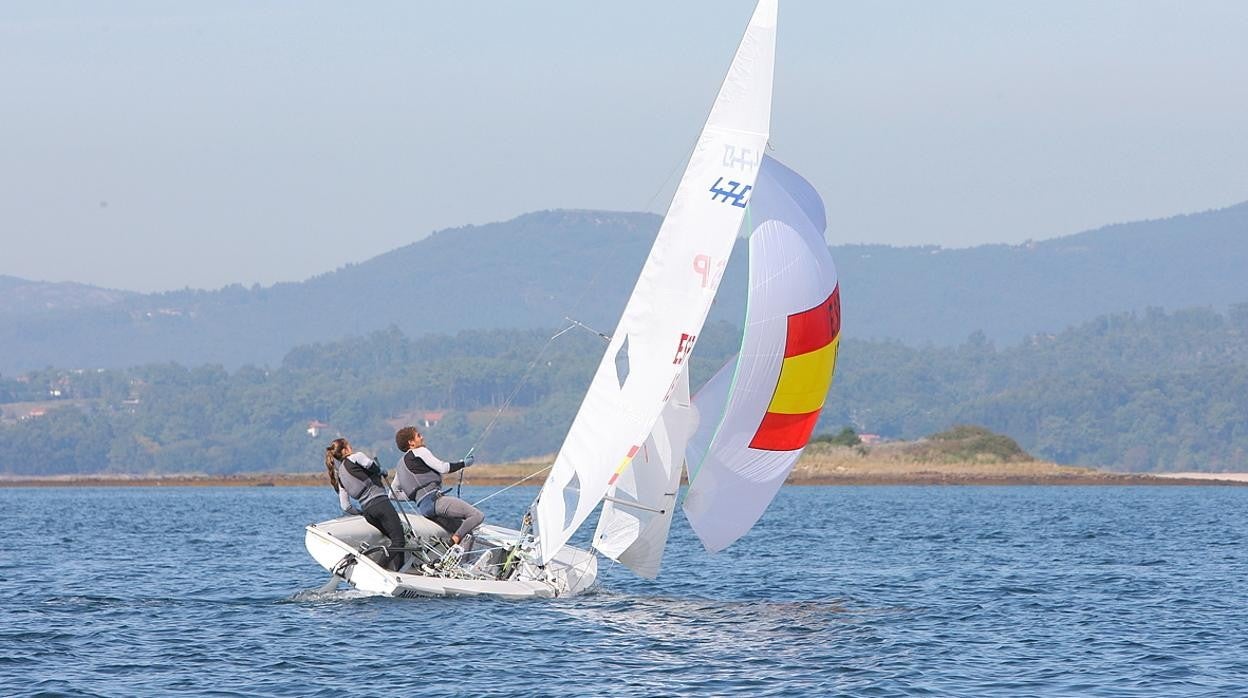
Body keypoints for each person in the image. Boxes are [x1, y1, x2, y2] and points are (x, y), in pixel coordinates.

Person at [393, 426, 484, 553]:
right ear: (411, 442)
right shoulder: (420, 451)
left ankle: (458, 565)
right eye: (419, 435)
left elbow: (392, 494)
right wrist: (464, 463)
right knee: (477, 516)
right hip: (435, 502)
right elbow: (443, 468)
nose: (422, 437)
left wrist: (415, 495)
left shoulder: (399, 466)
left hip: (424, 509)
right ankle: (453, 541)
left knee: (467, 533)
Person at [325, 437, 407, 572]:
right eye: (349, 446)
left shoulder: (340, 476)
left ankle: (398, 572)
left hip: (368, 512)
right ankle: (378, 569)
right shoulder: (356, 457)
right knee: (399, 541)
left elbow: (345, 506)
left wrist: (362, 513)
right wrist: (381, 471)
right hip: (381, 504)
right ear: (345, 450)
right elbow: (370, 465)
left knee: (396, 541)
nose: (352, 448)